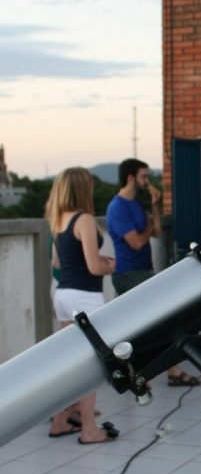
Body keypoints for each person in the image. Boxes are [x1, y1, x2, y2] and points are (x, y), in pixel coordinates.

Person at [106, 158, 201, 386]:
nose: (147, 181)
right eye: (143, 176)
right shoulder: (117, 207)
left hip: (142, 270)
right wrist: (148, 227)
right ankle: (171, 371)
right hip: (128, 273)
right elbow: (137, 243)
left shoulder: (137, 205)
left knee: (135, 326)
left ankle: (146, 372)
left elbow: (157, 231)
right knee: (160, 317)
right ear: (131, 178)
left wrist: (156, 205)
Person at [45, 167, 119, 443]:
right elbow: (93, 265)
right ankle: (90, 430)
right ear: (82, 189)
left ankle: (60, 421)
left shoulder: (58, 219)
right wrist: (109, 265)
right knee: (91, 366)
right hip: (84, 297)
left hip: (63, 295)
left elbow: (57, 263)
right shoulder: (84, 219)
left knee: (68, 362)